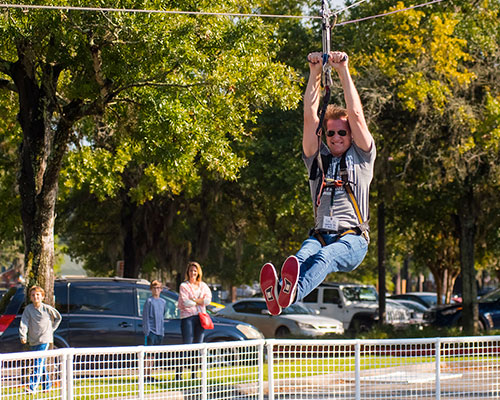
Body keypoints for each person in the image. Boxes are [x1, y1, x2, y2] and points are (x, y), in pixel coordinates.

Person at [260, 51, 376, 316]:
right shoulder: (317, 161)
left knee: (324, 258)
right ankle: (277, 295)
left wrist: (343, 70)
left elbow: (356, 115)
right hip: (321, 236)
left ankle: (291, 297)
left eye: (342, 132)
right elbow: (310, 118)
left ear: (350, 135)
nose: (336, 137)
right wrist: (313, 75)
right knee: (300, 258)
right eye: (331, 132)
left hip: (353, 240)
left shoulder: (362, 158)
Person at [19, 285, 62, 394]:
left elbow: (58, 318)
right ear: (30, 297)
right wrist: (23, 335)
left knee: (38, 363)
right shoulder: (28, 310)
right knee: (40, 364)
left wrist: (51, 329)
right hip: (33, 340)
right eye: (33, 295)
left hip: (45, 340)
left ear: (42, 296)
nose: (35, 297)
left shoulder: (47, 309)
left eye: (38, 295)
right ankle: (47, 385)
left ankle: (32, 387)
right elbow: (24, 323)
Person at [177, 261, 212, 380]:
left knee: (198, 345)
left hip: (201, 317)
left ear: (198, 273)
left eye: (195, 271)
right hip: (187, 318)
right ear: (188, 272)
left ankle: (194, 375)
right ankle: (179, 374)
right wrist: (200, 300)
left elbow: (207, 301)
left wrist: (195, 300)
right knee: (187, 345)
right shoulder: (184, 286)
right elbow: (186, 302)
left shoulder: (203, 285)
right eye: (191, 270)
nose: (193, 273)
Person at [142, 279, 166, 383]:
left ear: (161, 289)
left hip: (159, 331)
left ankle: (150, 374)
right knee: (148, 354)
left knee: (153, 355)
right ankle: (145, 375)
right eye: (154, 288)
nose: (156, 290)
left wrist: (162, 330)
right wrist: (147, 330)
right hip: (151, 331)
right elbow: (145, 317)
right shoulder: (149, 301)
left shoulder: (163, 302)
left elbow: (162, 316)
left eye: (158, 288)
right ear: (151, 289)